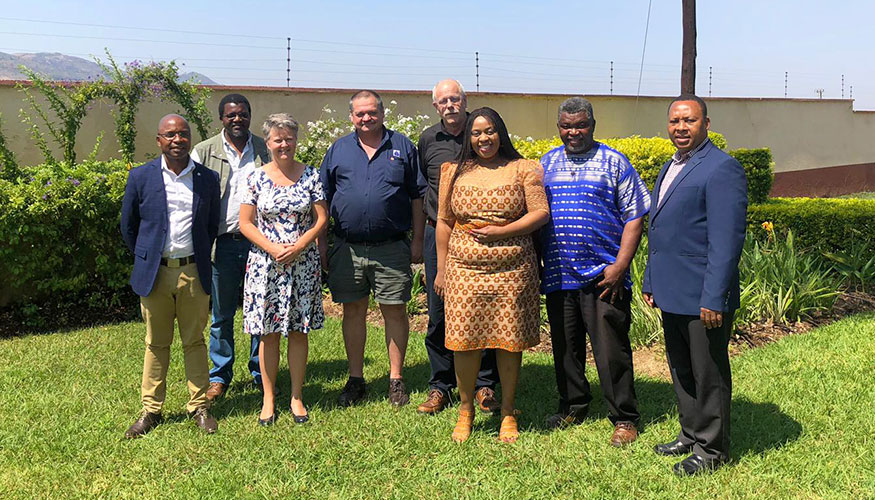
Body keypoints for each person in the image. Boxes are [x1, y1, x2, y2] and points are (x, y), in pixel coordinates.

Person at [642, 94, 748, 475]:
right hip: (672, 291)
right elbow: (660, 231)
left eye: (689, 120)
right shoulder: (669, 167)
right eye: (674, 121)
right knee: (682, 368)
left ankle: (712, 449)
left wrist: (714, 297)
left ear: (706, 123)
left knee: (709, 373)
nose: (680, 128)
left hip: (704, 294)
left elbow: (726, 241)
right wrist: (651, 279)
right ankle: (690, 434)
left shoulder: (722, 168)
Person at [434, 107, 549, 443]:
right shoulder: (452, 171)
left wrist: (502, 232)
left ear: (501, 133)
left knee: (509, 341)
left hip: (512, 269)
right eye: (476, 133)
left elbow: (540, 212)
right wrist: (441, 268)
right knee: (464, 340)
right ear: (468, 137)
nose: (483, 139)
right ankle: (466, 410)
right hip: (463, 268)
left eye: (490, 131)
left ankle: (508, 411)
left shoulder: (523, 168)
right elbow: (444, 221)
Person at [540, 97, 650, 446]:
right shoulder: (547, 163)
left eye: (580, 125)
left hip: (605, 276)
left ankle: (624, 417)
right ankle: (572, 405)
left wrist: (620, 265)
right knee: (565, 347)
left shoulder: (614, 162)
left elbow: (635, 215)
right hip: (560, 273)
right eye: (566, 126)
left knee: (611, 350)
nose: (573, 132)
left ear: (593, 125)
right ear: (559, 127)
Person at [318, 90, 425, 407]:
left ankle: (395, 379)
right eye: (360, 113)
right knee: (353, 312)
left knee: (394, 311)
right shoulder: (338, 150)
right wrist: (323, 243)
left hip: (391, 247)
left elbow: (418, 196)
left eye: (372, 112)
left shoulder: (402, 146)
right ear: (351, 116)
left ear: (382, 113)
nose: (366, 118)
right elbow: (322, 198)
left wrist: (417, 240)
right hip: (347, 247)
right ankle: (356, 379)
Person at [120, 114, 221, 438]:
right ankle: (151, 410)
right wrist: (148, 257)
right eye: (170, 135)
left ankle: (199, 406)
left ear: (190, 138)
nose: (178, 140)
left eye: (183, 134)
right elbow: (129, 226)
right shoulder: (141, 177)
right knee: (156, 343)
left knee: (194, 340)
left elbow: (210, 226)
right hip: (156, 274)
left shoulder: (207, 178)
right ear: (159, 140)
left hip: (193, 271)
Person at [415, 79, 500, 415]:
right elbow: (424, 188)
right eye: (443, 101)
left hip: (480, 236)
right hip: (440, 234)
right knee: (439, 313)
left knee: (483, 310)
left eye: (455, 98)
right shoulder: (427, 140)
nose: (450, 105)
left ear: (465, 101)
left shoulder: (480, 134)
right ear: (435, 106)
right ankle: (441, 386)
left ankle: (484, 385)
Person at [240, 113, 328, 425]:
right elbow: (245, 223)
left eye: (289, 138)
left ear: (296, 140)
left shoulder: (312, 176)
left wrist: (300, 245)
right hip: (266, 265)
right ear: (268, 142)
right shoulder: (255, 178)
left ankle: (296, 396)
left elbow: (321, 218)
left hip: (302, 264)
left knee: (297, 331)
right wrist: (273, 247)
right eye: (278, 139)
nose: (284, 144)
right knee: (268, 334)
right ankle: (268, 397)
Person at [191, 93, 271, 402]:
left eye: (243, 114)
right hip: (222, 246)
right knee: (222, 315)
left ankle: (259, 371)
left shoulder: (264, 149)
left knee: (259, 312)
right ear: (222, 118)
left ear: (250, 116)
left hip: (259, 245)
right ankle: (219, 376)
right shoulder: (204, 152)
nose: (237, 119)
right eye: (231, 115)